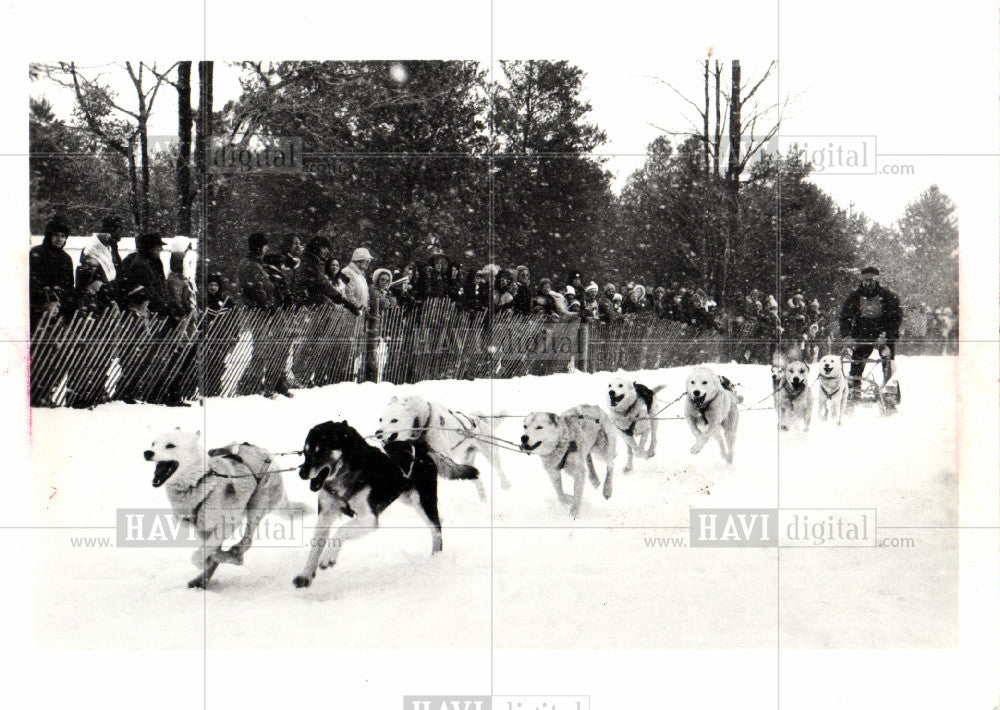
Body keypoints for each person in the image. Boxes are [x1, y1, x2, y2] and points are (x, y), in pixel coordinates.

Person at [839, 266, 903, 407]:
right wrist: (847, 336)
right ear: (861, 281)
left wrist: (887, 335)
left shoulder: (888, 296)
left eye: (872, 280)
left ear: (877, 280)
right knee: (857, 363)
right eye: (865, 280)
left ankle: (889, 395)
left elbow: (895, 318)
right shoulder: (854, 297)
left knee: (888, 363)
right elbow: (845, 317)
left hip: (883, 332)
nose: (868, 283)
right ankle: (853, 393)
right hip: (862, 332)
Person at [29, 217, 75, 330]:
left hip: (60, 304)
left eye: (63, 236)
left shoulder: (66, 258)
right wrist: (46, 297)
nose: (59, 239)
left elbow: (69, 284)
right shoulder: (37, 253)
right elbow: (32, 280)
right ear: (49, 236)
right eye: (56, 235)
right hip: (39, 303)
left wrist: (63, 301)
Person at [294, 236, 361, 313]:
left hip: (307, 303)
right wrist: (345, 302)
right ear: (317, 247)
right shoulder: (310, 263)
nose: (327, 251)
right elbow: (324, 284)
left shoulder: (314, 262)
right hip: (303, 303)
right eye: (324, 248)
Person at [118, 232, 169, 319]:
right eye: (158, 247)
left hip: (151, 310)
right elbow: (149, 289)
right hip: (146, 311)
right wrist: (162, 306)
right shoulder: (141, 265)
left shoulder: (151, 262)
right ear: (151, 248)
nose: (161, 249)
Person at [236, 232, 277, 308]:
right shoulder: (251, 266)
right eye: (265, 246)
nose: (267, 248)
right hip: (257, 312)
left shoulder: (254, 263)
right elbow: (258, 292)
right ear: (258, 247)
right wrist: (269, 304)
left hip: (257, 309)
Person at [338, 247, 373, 313]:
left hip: (359, 312)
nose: (368, 264)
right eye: (367, 261)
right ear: (359, 261)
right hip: (350, 312)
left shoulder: (361, 274)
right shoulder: (348, 272)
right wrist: (359, 307)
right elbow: (348, 295)